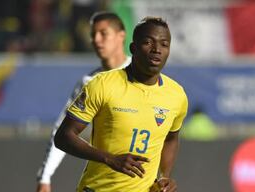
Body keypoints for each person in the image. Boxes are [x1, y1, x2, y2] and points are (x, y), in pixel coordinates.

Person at [54, 16, 188, 192]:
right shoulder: (102, 84)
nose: (157, 50)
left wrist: (164, 176)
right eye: (148, 42)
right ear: (133, 48)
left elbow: (171, 138)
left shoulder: (176, 95)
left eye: (164, 44)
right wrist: (109, 158)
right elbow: (63, 136)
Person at [36, 11, 131, 192]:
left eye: (103, 33)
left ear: (121, 36)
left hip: (138, 180)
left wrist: (163, 176)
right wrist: (45, 176)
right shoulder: (89, 82)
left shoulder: (143, 75)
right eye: (93, 34)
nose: (96, 39)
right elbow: (62, 130)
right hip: (102, 180)